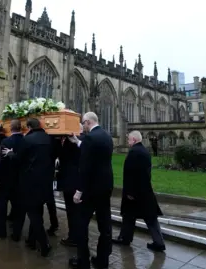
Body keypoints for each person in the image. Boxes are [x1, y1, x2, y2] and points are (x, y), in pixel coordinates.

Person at [67, 112, 114, 269]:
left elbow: (85, 167)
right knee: (105, 226)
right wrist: (77, 142)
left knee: (81, 226)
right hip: (105, 187)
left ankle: (83, 262)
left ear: (87, 122)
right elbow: (95, 153)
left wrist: (79, 190)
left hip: (90, 190)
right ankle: (102, 261)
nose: (84, 127)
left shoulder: (90, 138)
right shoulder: (106, 136)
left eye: (84, 124)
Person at [7, 118, 55, 257]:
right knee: (38, 211)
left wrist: (10, 154)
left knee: (34, 214)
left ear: (28, 127)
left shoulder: (27, 140)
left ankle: (44, 244)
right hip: (45, 181)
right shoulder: (49, 138)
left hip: (30, 182)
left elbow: (18, 159)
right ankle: (31, 241)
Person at [112, 131, 165, 252]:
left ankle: (125, 238)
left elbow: (131, 174)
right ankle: (159, 242)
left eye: (129, 140)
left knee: (128, 215)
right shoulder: (145, 151)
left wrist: (130, 192)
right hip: (145, 191)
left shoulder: (134, 152)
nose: (128, 142)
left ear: (134, 140)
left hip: (134, 193)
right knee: (150, 218)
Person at [0, 119, 25, 238]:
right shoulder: (25, 141)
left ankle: (1, 231)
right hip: (20, 180)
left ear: (11, 128)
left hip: (5, 179)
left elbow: (1, 161)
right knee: (18, 206)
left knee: (2, 205)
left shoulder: (7, 141)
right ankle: (16, 234)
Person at [57, 124, 84, 247]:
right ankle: (75, 236)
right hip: (70, 181)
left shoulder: (78, 141)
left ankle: (74, 238)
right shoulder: (71, 140)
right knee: (73, 212)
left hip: (72, 182)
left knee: (73, 212)